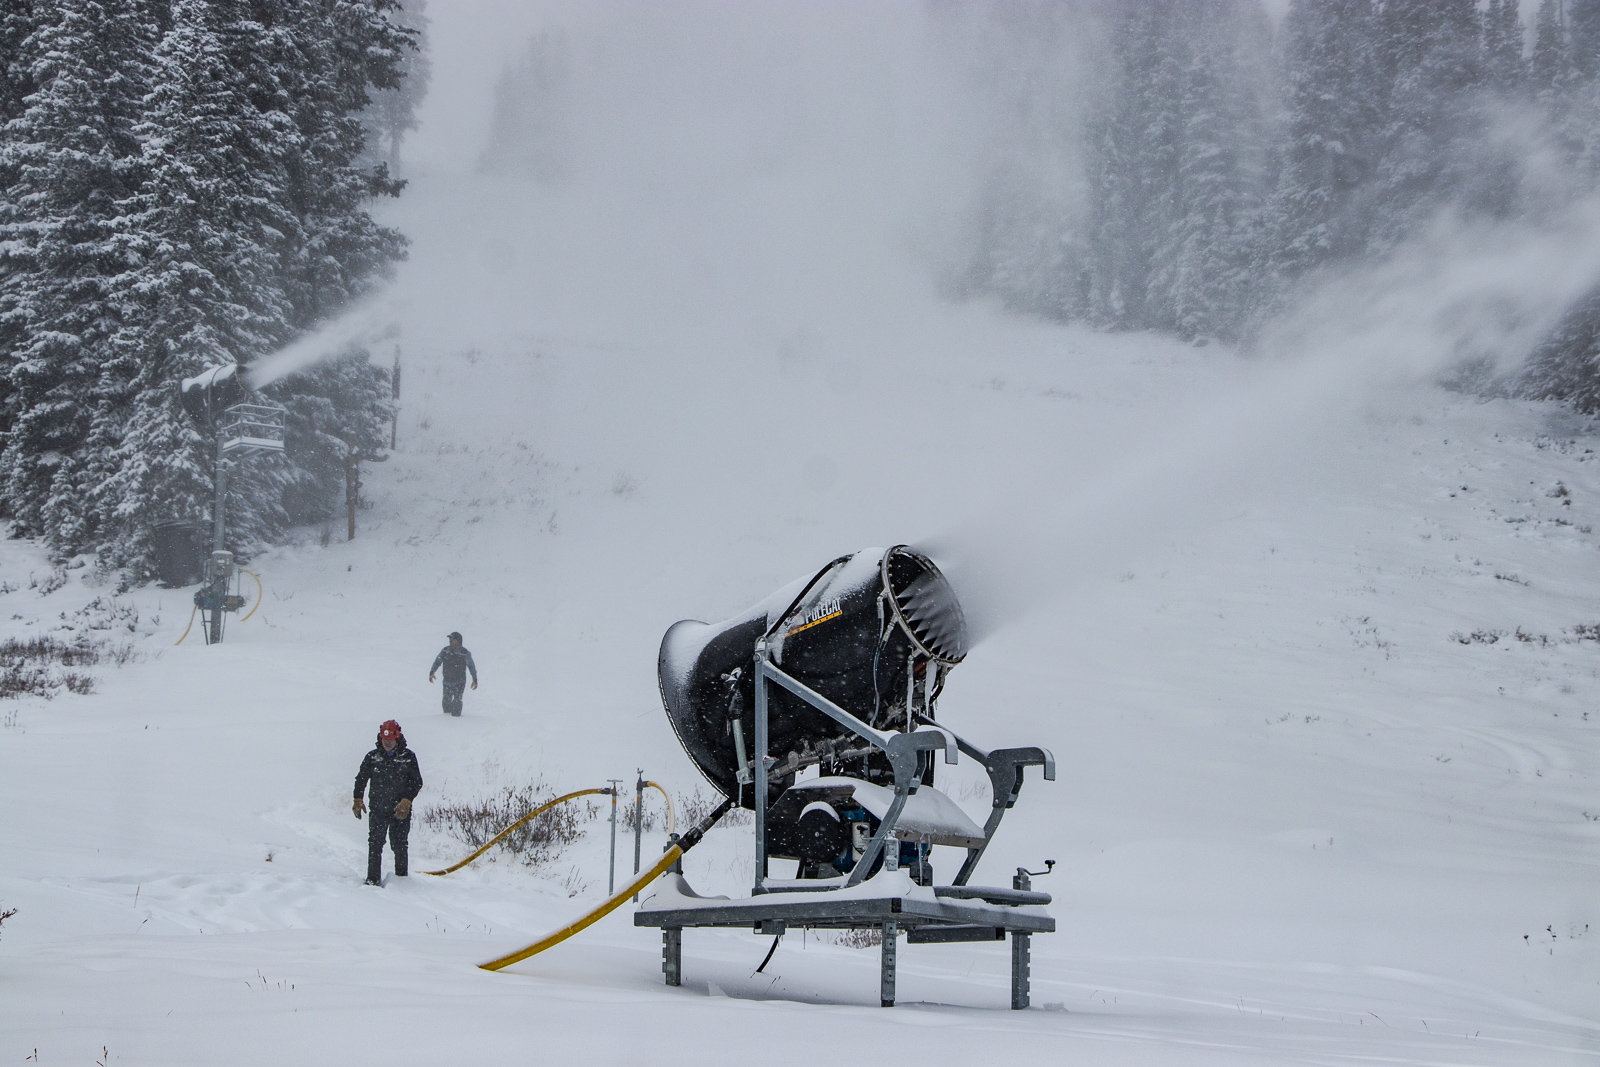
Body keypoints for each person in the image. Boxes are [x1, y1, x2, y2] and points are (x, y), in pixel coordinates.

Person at [352, 719, 423, 886]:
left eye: (391, 740)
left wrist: (407, 800)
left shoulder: (408, 757)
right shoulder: (372, 757)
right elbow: (361, 779)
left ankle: (401, 880)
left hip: (400, 810)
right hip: (378, 809)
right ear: (380, 739)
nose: (388, 743)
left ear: (397, 739)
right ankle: (372, 879)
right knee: (375, 844)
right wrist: (357, 798)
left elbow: (417, 782)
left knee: (399, 844)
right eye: (385, 740)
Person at [429, 631, 478, 717]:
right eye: (450, 639)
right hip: (447, 682)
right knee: (446, 704)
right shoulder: (445, 651)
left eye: (452, 639)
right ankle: (446, 723)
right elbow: (437, 661)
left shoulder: (464, 653)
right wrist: (432, 672)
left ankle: (456, 723)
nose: (450, 641)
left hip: (460, 682)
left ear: (458, 640)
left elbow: (471, 666)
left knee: (457, 703)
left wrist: (474, 679)